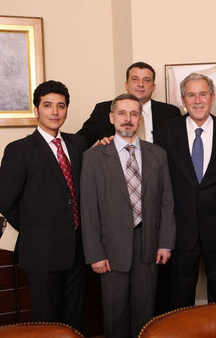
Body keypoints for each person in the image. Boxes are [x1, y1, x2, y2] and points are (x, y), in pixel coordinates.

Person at [80, 93, 175, 338]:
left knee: (145, 314)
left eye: (134, 114)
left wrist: (165, 243)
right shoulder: (93, 157)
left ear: (140, 119)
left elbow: (167, 202)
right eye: (122, 113)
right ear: (112, 118)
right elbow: (89, 210)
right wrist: (95, 254)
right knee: (115, 314)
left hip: (149, 245)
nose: (128, 119)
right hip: (110, 250)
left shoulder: (157, 154)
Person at [0, 80, 87, 329]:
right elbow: (5, 200)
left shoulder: (78, 144)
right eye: (48, 105)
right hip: (41, 252)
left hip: (78, 250)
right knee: (46, 321)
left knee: (74, 318)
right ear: (36, 110)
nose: (55, 112)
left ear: (67, 109)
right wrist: (35, 229)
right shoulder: (20, 150)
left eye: (61, 106)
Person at [154, 73, 216, 309]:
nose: (197, 100)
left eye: (203, 94)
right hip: (181, 229)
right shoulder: (166, 132)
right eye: (191, 95)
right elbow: (159, 180)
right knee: (180, 296)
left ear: (212, 97)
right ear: (183, 99)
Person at [78, 61, 181, 146]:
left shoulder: (171, 113)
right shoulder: (104, 110)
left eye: (146, 80)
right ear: (126, 85)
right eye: (135, 79)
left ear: (153, 87)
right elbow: (78, 143)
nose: (140, 84)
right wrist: (99, 147)